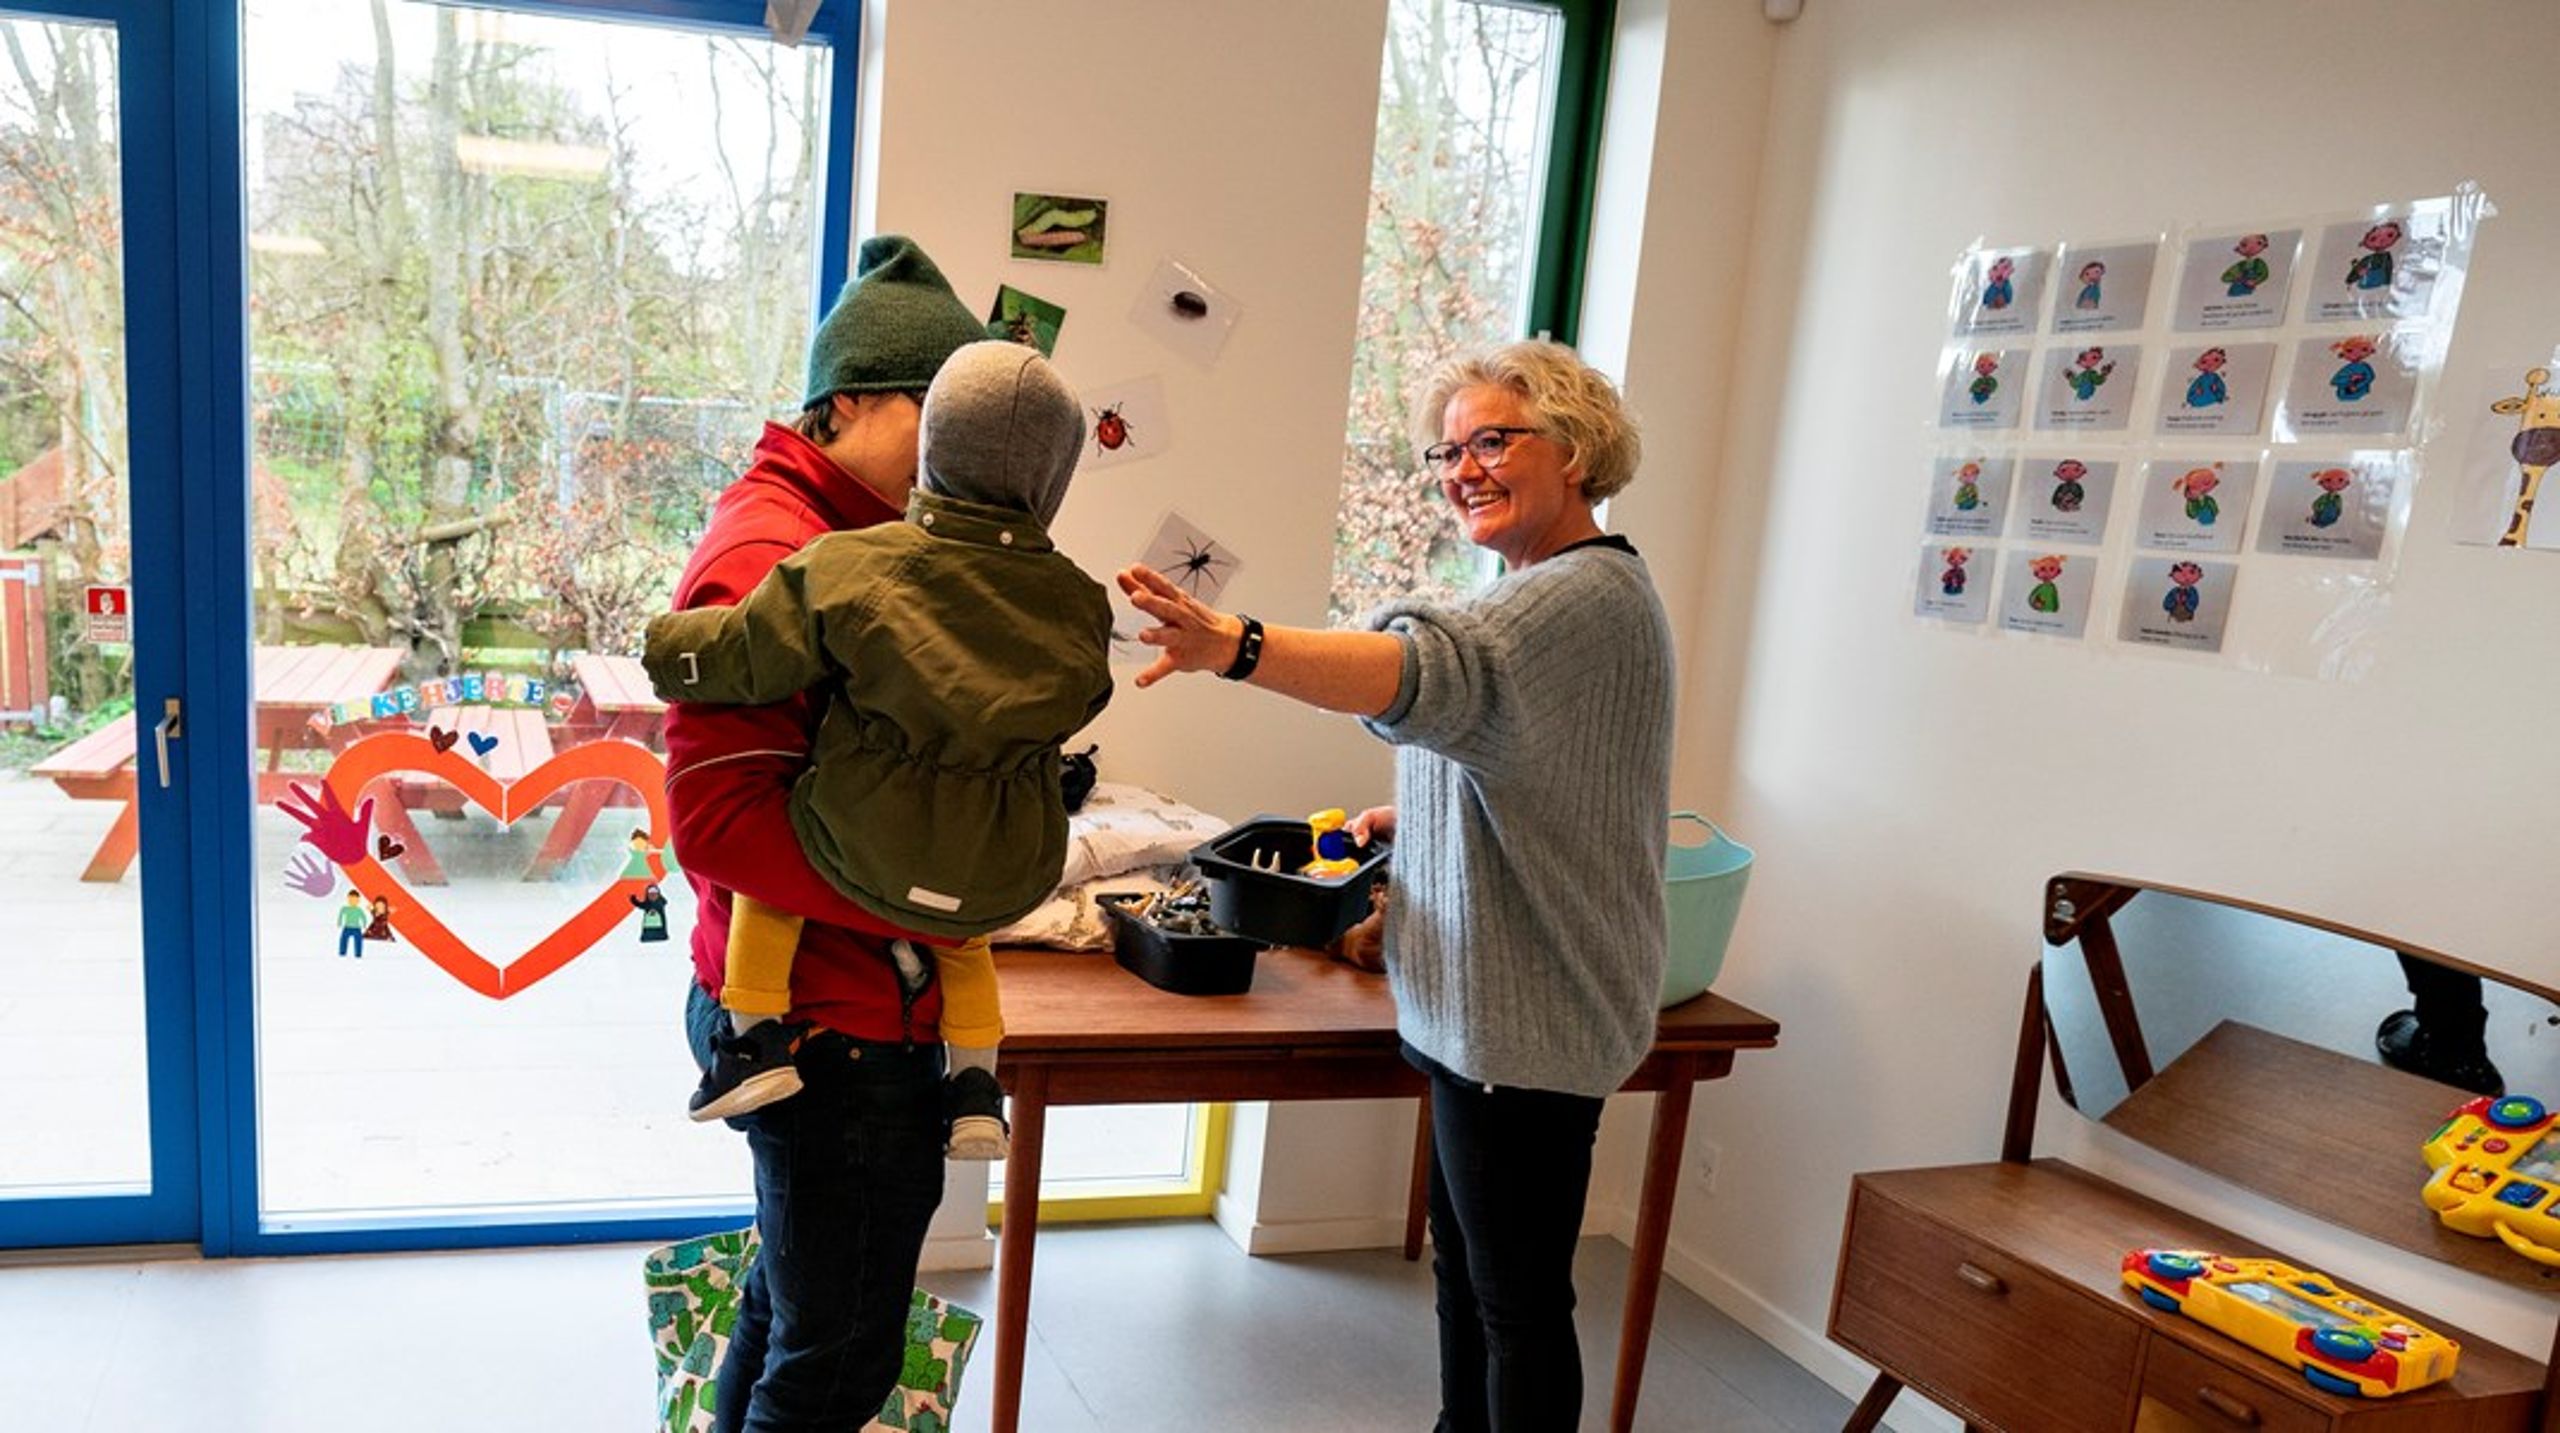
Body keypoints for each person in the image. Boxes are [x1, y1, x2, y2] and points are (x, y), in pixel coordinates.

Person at [1118, 339, 1673, 1433]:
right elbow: (1535, 772)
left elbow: (1424, 671)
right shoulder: (1539, 590)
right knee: (1474, 1285)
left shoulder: (1580, 597)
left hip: (1531, 1017)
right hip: (1482, 1011)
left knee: (1516, 1305)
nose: (1463, 469)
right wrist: (1406, 818)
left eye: (1491, 442)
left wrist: (1235, 644)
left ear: (1574, 449)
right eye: (1447, 451)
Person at [663, 233, 987, 1433]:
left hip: (835, 1008)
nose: (952, 453)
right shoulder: (776, 555)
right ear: (845, 402)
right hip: (830, 1025)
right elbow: (719, 822)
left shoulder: (854, 538)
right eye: (931, 416)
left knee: (796, 1313)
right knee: (838, 1358)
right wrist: (934, 893)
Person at [646, 339, 1112, 1155]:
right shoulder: (1080, 602)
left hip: (861, 841)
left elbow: (749, 650)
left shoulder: (855, 564)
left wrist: (665, 650)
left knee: (779, 880)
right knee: (964, 937)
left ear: (934, 447)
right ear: (1054, 480)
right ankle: (976, 1084)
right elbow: (1086, 697)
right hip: (998, 862)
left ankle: (751, 1040)